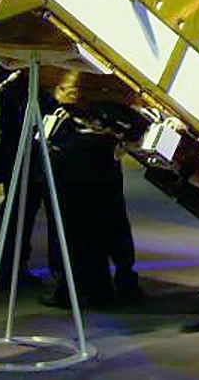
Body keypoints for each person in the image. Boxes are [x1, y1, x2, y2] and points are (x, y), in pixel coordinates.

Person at [40, 101, 144, 308]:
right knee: (110, 222)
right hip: (103, 153)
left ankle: (74, 290)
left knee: (72, 227)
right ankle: (116, 284)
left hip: (74, 155)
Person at [0, 70, 55, 288]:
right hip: (26, 158)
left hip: (18, 157)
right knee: (18, 214)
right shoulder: (22, 91)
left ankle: (5, 267)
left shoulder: (10, 88)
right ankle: (6, 269)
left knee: (16, 214)